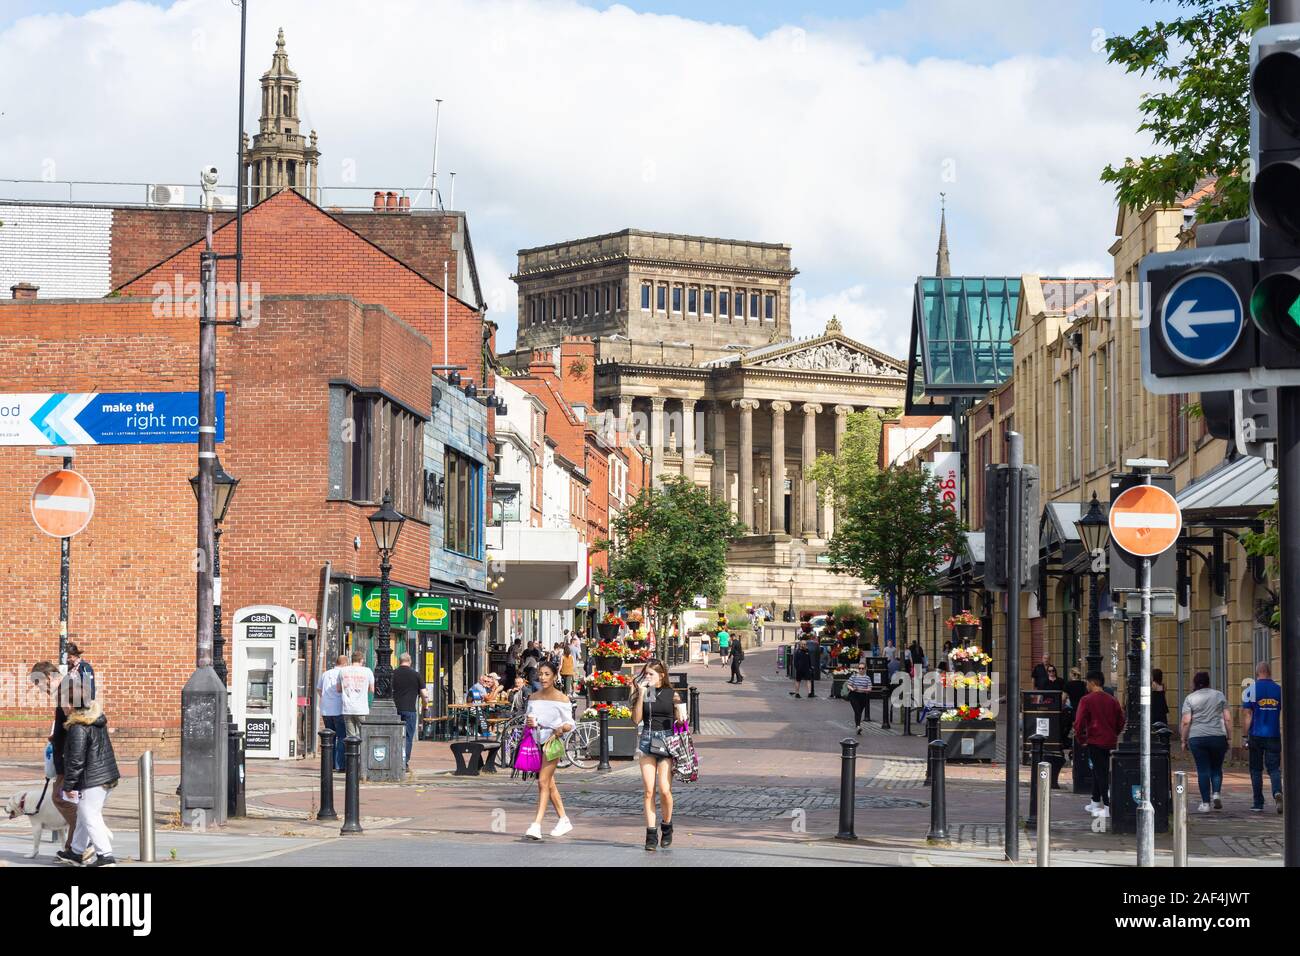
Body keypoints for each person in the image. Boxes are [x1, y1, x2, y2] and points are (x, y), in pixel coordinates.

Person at [57, 679, 120, 867]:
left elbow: (76, 760)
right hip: (105, 775)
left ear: (70, 705)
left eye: (63, 702)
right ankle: (76, 852)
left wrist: (68, 786)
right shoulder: (96, 720)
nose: (62, 707)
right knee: (85, 814)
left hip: (92, 779)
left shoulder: (78, 728)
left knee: (90, 816)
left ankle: (105, 856)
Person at [629, 659, 688, 850]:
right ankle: (651, 833)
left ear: (661, 675)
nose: (647, 677)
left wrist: (680, 715)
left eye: (651, 674)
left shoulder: (672, 694)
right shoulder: (649, 693)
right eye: (645, 674)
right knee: (648, 790)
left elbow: (682, 720)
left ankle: (667, 825)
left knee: (664, 789)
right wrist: (641, 695)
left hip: (667, 741)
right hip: (647, 740)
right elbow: (636, 720)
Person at [29, 662, 79, 851]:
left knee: (62, 798)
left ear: (46, 678)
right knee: (62, 798)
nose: (39, 689)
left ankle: (79, 843)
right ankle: (74, 845)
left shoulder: (66, 692)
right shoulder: (64, 691)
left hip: (69, 758)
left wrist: (60, 740)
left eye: (38, 684)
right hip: (66, 756)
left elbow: (74, 725)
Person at [523, 661, 575, 841]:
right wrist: (529, 722)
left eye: (546, 674)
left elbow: (570, 723)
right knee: (549, 783)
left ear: (554, 676)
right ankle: (563, 819)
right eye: (540, 674)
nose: (542, 677)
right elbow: (528, 719)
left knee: (542, 782)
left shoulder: (562, 698)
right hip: (535, 741)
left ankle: (536, 824)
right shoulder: (533, 697)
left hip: (552, 743)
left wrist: (561, 729)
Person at [1074, 670, 1125, 820]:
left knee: (1101, 773)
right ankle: (1095, 802)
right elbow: (1121, 720)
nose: (1086, 686)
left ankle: (1108, 806)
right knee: (1099, 769)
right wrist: (1114, 732)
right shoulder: (1112, 700)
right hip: (1109, 740)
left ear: (1092, 682)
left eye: (1087, 683)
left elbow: (1078, 723)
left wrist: (1081, 738)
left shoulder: (1086, 700)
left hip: (1095, 740)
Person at [1181, 670, 1231, 812]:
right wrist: (1229, 736)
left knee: (1203, 770)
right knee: (1217, 768)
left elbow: (1186, 722)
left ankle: (1205, 803)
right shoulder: (1219, 695)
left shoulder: (1190, 698)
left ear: (1195, 683)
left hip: (1197, 738)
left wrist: (1183, 740)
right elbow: (1227, 718)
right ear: (1208, 682)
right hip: (1217, 736)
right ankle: (1216, 793)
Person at [1242, 662, 1283, 814]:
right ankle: (1277, 792)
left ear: (1257, 673)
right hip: (1273, 734)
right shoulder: (1279, 690)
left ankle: (1258, 803)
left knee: (1256, 769)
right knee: (1274, 768)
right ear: (1269, 672)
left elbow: (1247, 714)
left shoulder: (1250, 690)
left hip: (1256, 734)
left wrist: (1245, 735)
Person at [392, 652, 429, 773]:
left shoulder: (393, 674)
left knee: (394, 735)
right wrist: (425, 706)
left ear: (399, 661)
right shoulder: (416, 675)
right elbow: (424, 694)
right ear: (410, 661)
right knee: (408, 737)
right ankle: (404, 762)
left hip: (395, 710)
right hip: (409, 710)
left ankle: (393, 760)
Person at [317, 653, 349, 772]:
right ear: (345, 663)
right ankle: (339, 764)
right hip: (338, 709)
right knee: (341, 737)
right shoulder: (343, 674)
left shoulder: (326, 674)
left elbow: (319, 689)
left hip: (326, 710)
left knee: (329, 738)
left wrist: (326, 698)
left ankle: (330, 765)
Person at [337, 651, 374, 742]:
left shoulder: (342, 671)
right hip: (361, 708)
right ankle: (361, 756)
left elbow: (338, 689)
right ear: (362, 660)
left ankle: (352, 756)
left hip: (347, 708)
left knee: (350, 737)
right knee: (363, 736)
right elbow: (372, 689)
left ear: (351, 659)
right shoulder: (367, 671)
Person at [845, 659, 873, 734]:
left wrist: (860, 689)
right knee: (857, 710)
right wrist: (852, 689)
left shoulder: (867, 678)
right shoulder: (853, 676)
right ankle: (858, 726)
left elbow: (869, 689)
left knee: (859, 712)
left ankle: (857, 725)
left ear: (865, 669)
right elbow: (848, 685)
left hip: (863, 696)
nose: (861, 670)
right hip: (854, 695)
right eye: (859, 668)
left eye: (862, 668)